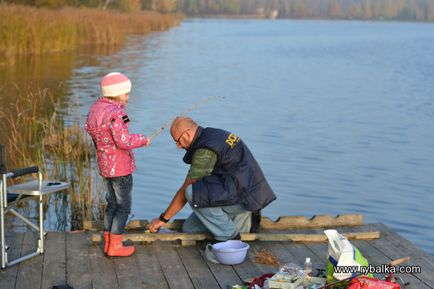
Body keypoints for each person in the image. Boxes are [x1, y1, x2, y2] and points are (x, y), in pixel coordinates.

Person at [149, 116, 276, 241]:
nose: (178, 146)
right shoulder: (212, 134)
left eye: (177, 141)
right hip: (245, 190)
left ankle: (230, 236)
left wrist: (163, 219)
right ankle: (241, 220)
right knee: (190, 228)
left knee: (192, 192)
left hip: (245, 197)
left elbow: (186, 190)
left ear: (187, 134)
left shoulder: (205, 150)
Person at [85, 72, 150, 257]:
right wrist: (142, 140)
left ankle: (108, 242)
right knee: (123, 207)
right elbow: (123, 142)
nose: (128, 97)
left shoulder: (96, 108)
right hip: (120, 168)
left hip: (105, 166)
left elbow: (92, 131)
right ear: (117, 93)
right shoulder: (117, 114)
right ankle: (115, 245)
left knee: (112, 204)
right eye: (126, 94)